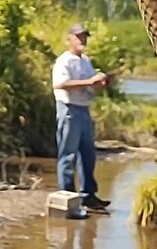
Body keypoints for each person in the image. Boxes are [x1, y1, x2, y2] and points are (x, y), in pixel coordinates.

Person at [51, 22, 111, 211]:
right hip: (69, 109)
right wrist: (89, 81)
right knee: (68, 154)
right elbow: (60, 84)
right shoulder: (64, 61)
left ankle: (88, 196)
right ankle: (68, 196)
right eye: (78, 37)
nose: (82, 40)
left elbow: (90, 85)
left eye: (84, 37)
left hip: (84, 109)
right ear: (69, 39)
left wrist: (100, 84)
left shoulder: (85, 60)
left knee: (88, 155)